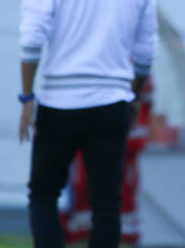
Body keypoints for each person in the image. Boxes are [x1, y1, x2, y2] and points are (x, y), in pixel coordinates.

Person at [18, 0, 158, 248]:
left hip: (59, 102)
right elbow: (145, 52)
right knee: (107, 205)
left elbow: (32, 38)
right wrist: (135, 95)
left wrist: (27, 97)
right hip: (111, 102)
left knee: (43, 194)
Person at [59, 75, 156, 247]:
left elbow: (144, 109)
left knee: (121, 217)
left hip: (120, 158)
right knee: (83, 218)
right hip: (87, 157)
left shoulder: (136, 63)